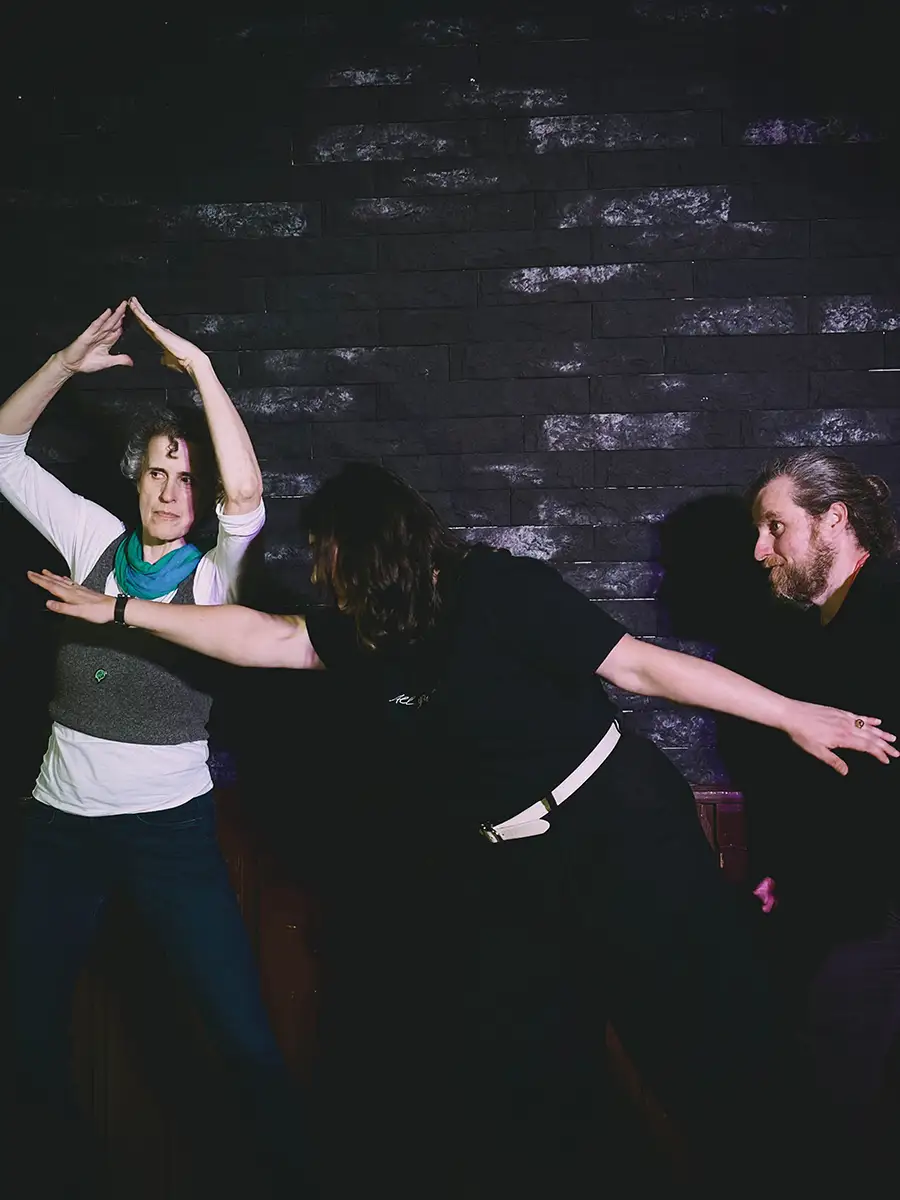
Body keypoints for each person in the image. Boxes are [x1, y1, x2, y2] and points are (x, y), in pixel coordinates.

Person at [25, 461, 898, 1195]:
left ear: (368, 546)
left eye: (327, 553)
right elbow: (259, 635)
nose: (321, 575)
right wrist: (121, 611)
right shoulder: (367, 633)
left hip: (623, 839)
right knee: (537, 1085)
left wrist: (791, 713)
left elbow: (640, 667)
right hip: (517, 876)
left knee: (712, 1063)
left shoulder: (498, 588)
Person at [1, 300, 306, 1198]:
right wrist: (62, 365)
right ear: (138, 479)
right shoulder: (95, 541)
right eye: (160, 471)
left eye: (188, 479)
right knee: (27, 1033)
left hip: (167, 833)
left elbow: (247, 500)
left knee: (241, 1036)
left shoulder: (216, 579)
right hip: (59, 827)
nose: (171, 492)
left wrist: (201, 372)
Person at [715, 449, 900, 1184]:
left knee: (838, 1106)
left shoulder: (887, 604)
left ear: (834, 520)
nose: (761, 551)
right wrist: (786, 870)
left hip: (873, 909)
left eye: (775, 527)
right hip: (847, 901)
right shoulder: (826, 627)